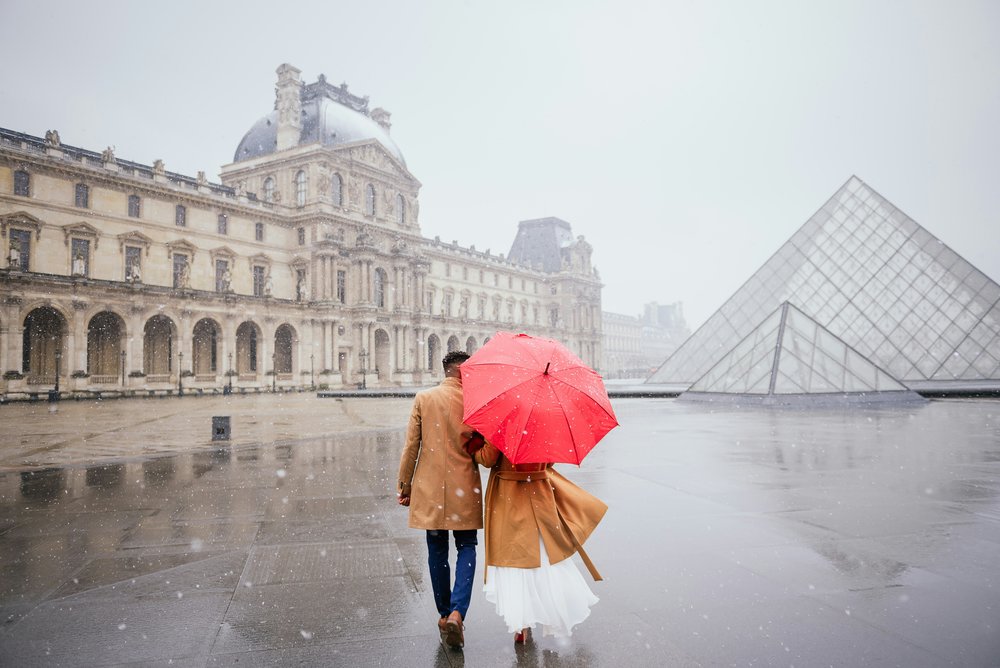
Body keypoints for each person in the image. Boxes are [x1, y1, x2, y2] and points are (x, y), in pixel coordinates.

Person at [468, 437, 607, 644]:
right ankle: (550, 609)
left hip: (510, 496)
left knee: (516, 559)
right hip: (539, 493)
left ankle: (521, 622)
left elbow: (488, 458)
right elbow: (550, 462)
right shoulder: (545, 424)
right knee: (544, 556)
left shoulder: (505, 422)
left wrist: (474, 450)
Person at [397, 351, 482, 649]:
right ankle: (458, 611)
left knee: (436, 550)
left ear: (446, 371)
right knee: (467, 547)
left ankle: (444, 613)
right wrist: (477, 443)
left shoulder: (424, 398)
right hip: (465, 488)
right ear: (463, 372)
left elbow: (411, 446)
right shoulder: (476, 404)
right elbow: (484, 457)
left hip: (429, 489)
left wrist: (404, 485)